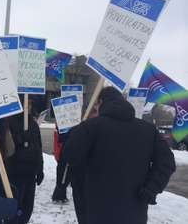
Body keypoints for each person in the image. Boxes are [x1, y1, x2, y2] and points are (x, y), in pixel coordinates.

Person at [62, 86, 176, 224]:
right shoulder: (148, 130)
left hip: (96, 209)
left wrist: (75, 133)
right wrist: (151, 189)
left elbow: (70, 156)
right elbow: (167, 162)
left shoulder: (91, 127)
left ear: (100, 102)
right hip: (134, 211)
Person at [5, 97, 44, 224]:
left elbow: (39, 147)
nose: (29, 106)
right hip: (15, 173)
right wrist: (20, 139)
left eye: (30, 104)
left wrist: (40, 169)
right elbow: (6, 147)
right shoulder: (9, 121)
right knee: (14, 209)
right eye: (26, 103)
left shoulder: (33, 124)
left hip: (30, 174)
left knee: (27, 208)